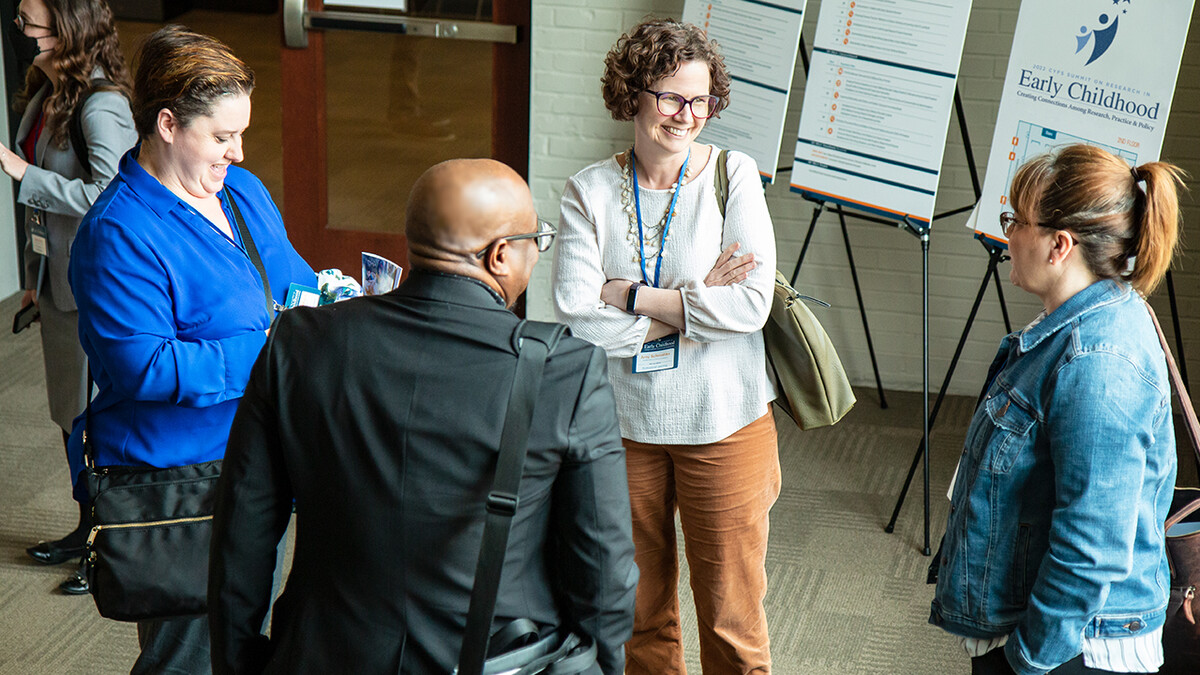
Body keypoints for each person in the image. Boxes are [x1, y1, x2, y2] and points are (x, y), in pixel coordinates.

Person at [208, 158, 638, 674]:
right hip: (495, 660)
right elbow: (603, 563)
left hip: (322, 654)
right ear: (501, 255)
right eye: (536, 241)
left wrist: (239, 664)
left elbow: (243, 532)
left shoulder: (300, 343)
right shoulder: (563, 371)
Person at [66, 25, 315, 674]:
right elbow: (146, 366)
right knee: (189, 659)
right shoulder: (117, 234)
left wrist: (335, 311)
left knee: (243, 645)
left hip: (261, 464)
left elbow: (297, 284)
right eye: (223, 136)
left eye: (242, 133)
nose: (239, 150)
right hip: (180, 486)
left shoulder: (243, 191)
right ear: (168, 123)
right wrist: (268, 349)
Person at [553, 18, 779, 674]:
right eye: (670, 97)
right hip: (622, 427)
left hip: (725, 422)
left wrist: (633, 296)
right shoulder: (589, 191)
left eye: (700, 100)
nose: (686, 115)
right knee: (636, 610)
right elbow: (574, 312)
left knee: (732, 616)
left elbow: (749, 304)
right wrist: (691, 304)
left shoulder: (734, 176)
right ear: (633, 93)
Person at [930, 144, 1185, 675]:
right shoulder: (1075, 326)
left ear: (1059, 245)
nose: (1008, 235)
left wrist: (1026, 658)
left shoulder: (1099, 363)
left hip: (1074, 650)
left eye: (1017, 221)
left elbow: (1091, 546)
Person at [5, 0, 137, 595]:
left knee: (95, 416)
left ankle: (111, 543)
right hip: (57, 279)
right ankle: (87, 526)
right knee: (70, 412)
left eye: (30, 19)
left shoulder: (102, 104)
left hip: (95, 286)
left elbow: (113, 194)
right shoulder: (47, 92)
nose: (22, 28)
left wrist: (21, 172)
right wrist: (31, 271)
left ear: (66, 28)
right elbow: (41, 210)